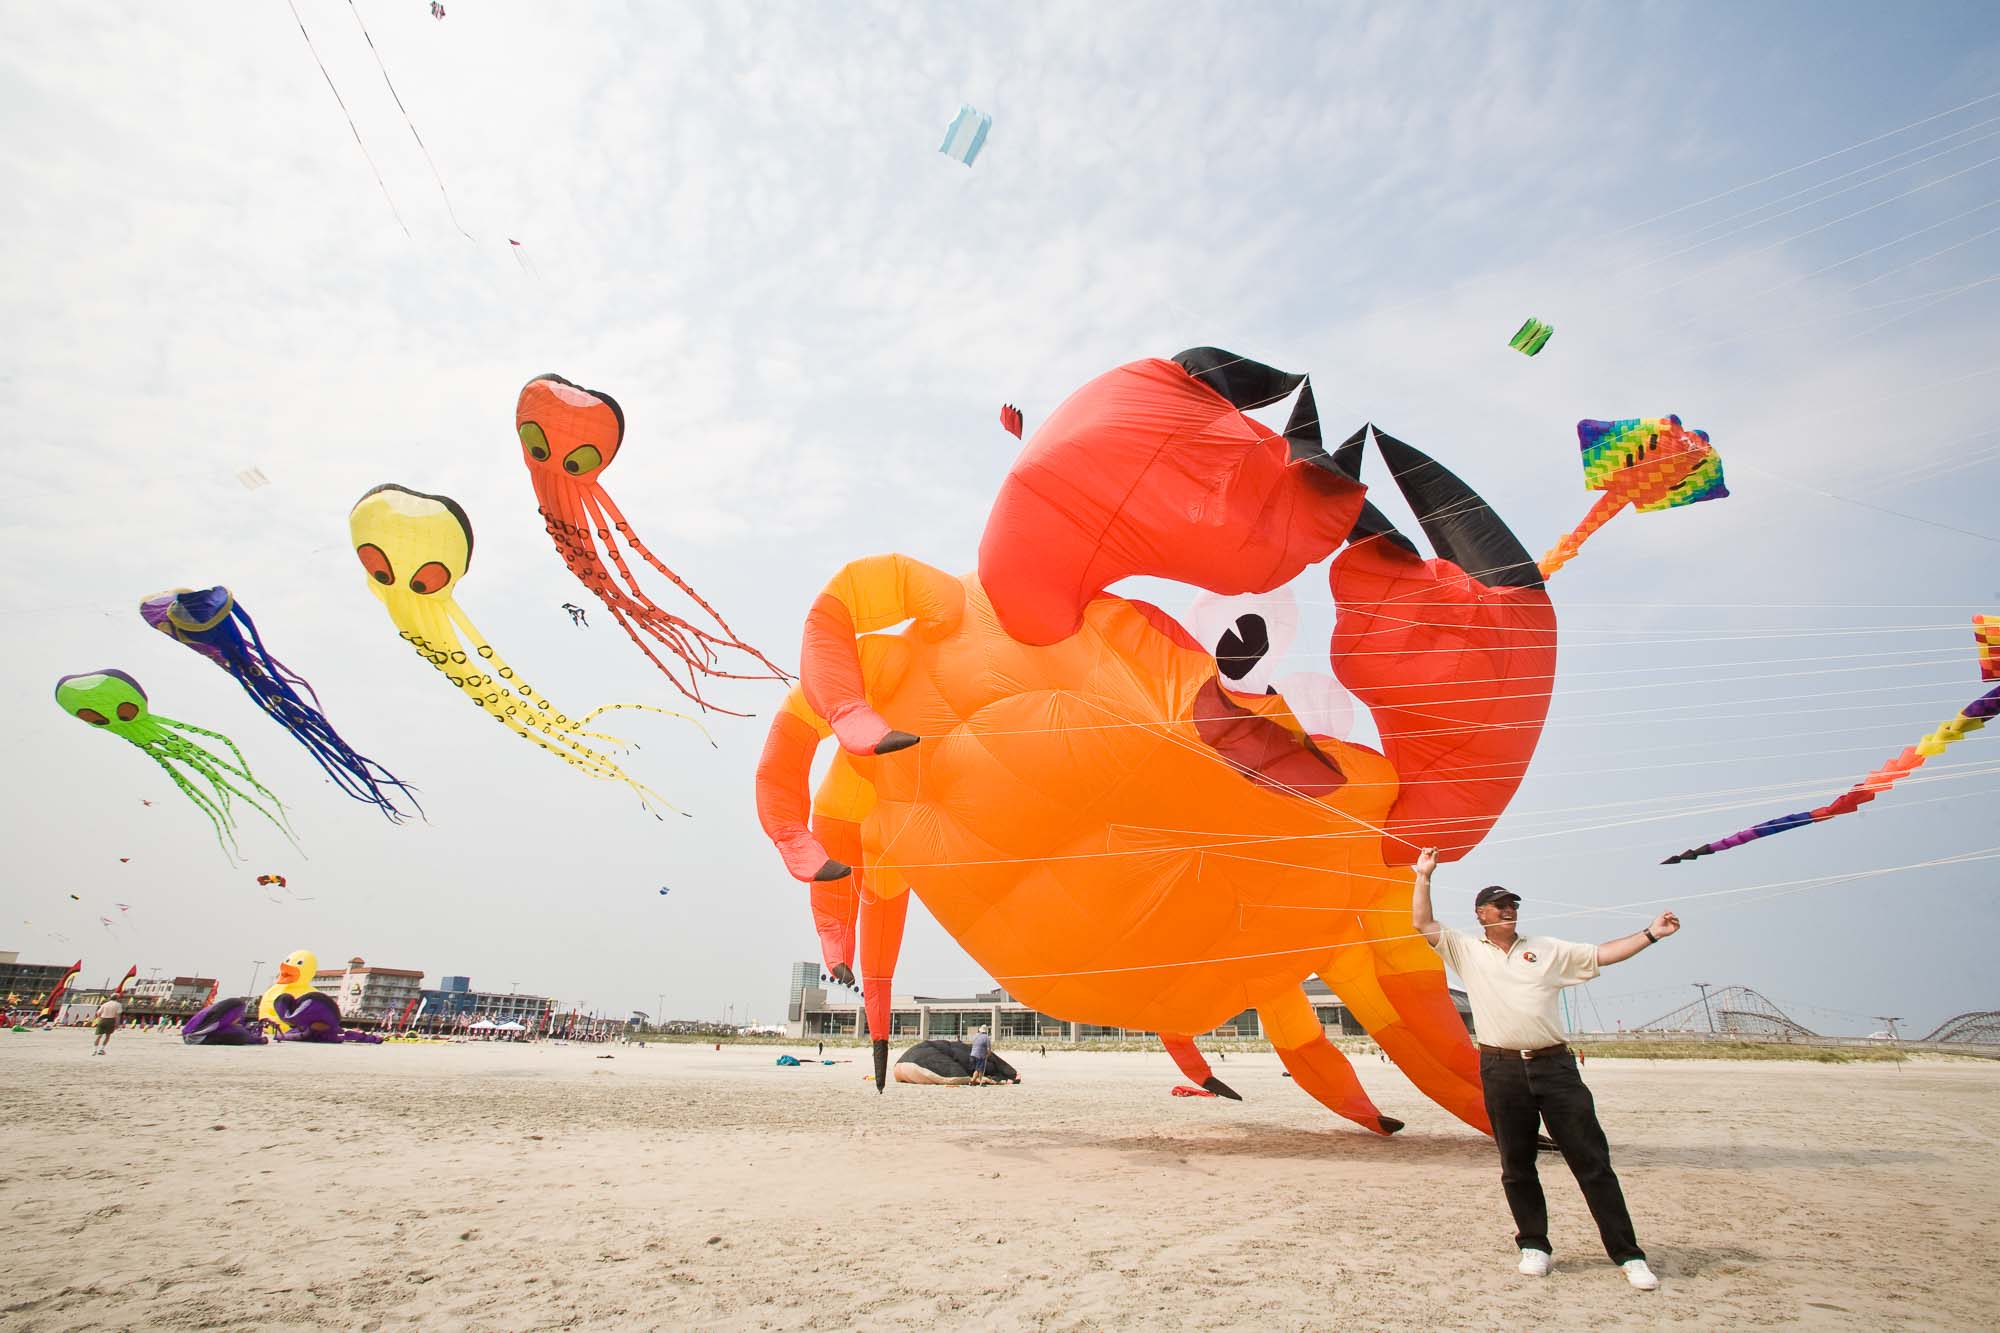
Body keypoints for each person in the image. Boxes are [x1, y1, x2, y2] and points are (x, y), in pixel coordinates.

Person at [1411, 846, 1679, 1292]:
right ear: (1481, 914)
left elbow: (1604, 954)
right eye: (1501, 905)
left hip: (1554, 1066)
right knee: (1517, 1164)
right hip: (1501, 1069)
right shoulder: (1465, 950)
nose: (1509, 911)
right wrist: (1424, 876)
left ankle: (1628, 1254)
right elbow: (1423, 923)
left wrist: (1650, 934)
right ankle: (1534, 1245)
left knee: (1592, 1162)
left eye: (1513, 905)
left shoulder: (1547, 949)